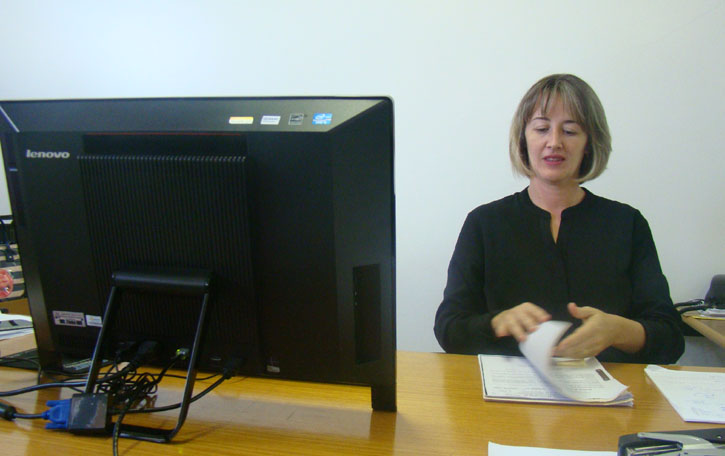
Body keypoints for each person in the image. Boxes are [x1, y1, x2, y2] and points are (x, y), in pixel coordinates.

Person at [434, 74, 684, 364]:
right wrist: (495, 323)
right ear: (523, 139)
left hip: (608, 388)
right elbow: (449, 329)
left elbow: (671, 338)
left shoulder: (628, 224)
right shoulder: (484, 223)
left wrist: (619, 331)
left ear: (589, 143)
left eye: (570, 131)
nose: (554, 142)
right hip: (508, 388)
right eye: (541, 129)